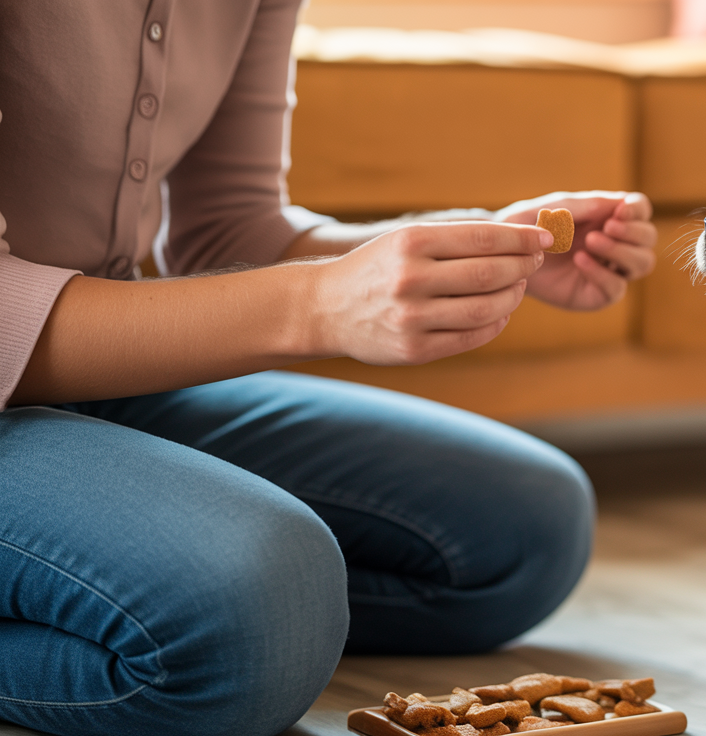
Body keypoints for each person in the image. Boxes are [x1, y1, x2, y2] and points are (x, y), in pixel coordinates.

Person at [0, 2, 657, 735]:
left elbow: (228, 229)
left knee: (528, 529)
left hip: (108, 382)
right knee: (259, 615)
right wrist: (319, 303)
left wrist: (476, 250)